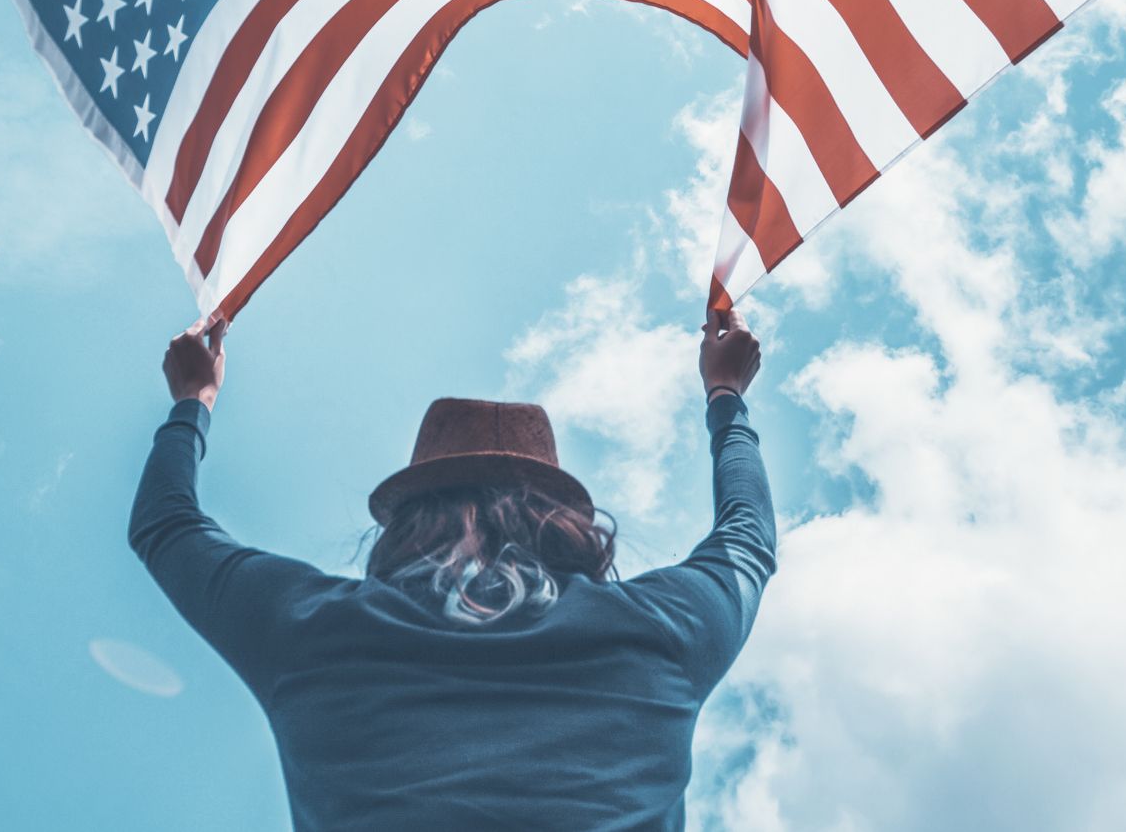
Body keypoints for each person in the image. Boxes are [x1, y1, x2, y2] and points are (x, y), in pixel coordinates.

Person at [128, 307, 775, 831]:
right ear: (562, 521)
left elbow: (167, 525)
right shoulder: (662, 627)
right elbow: (747, 536)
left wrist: (193, 398)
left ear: (410, 520)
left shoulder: (313, 627)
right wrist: (725, 396)